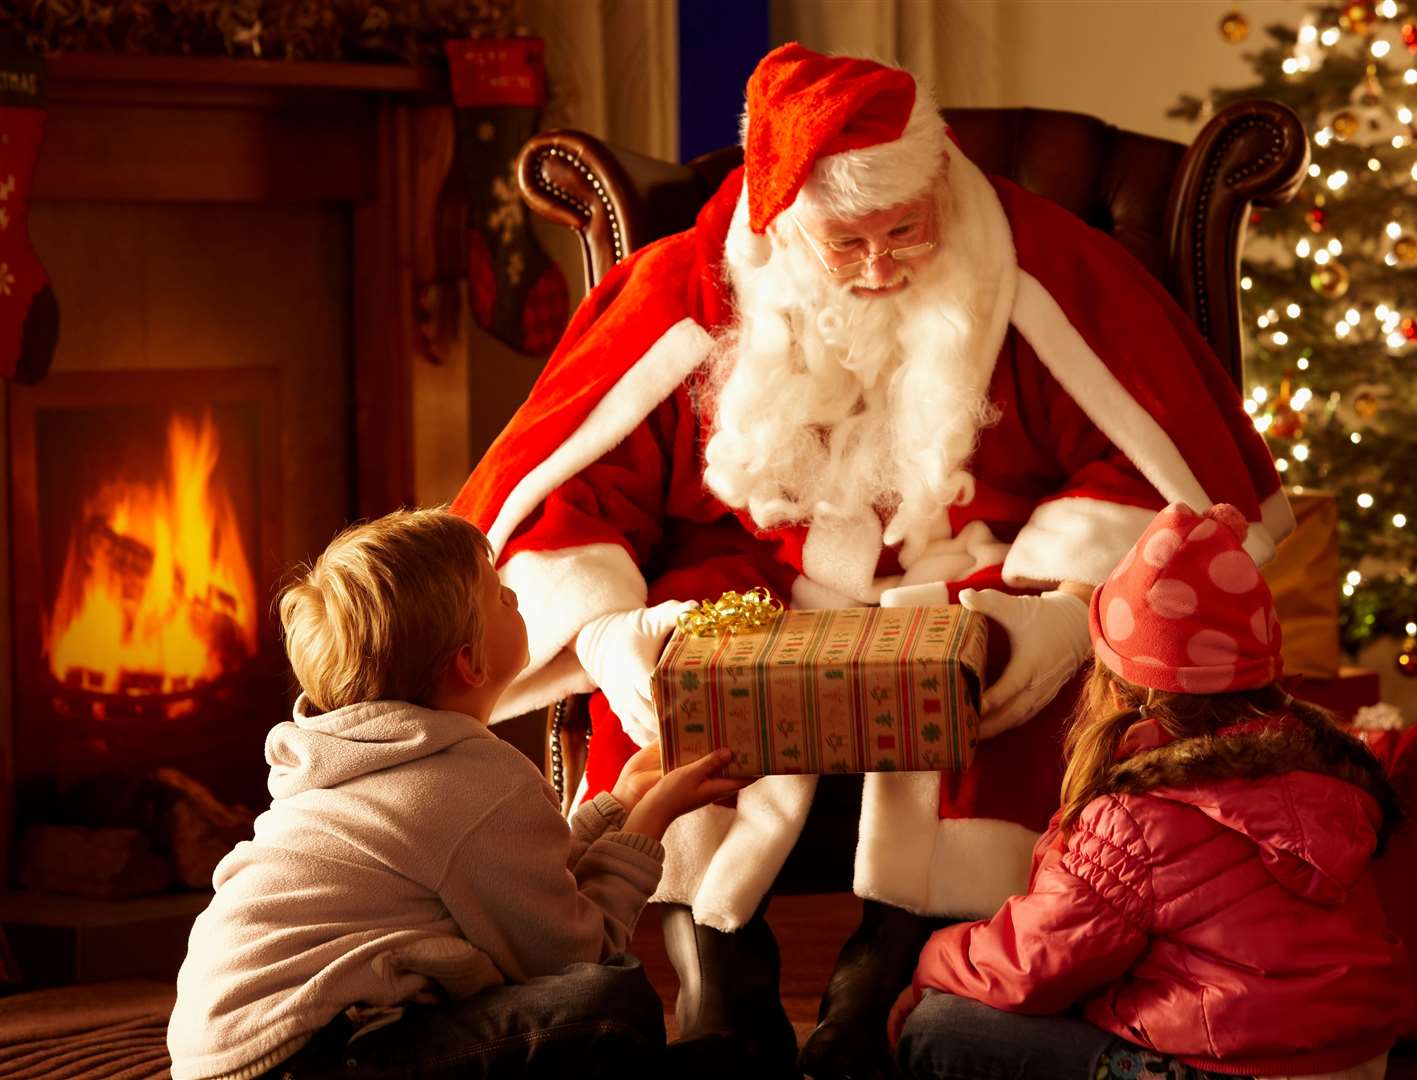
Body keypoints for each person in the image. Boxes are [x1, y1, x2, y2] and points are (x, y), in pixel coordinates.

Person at [453, 44, 1292, 1080]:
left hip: (971, 568)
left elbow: (1152, 473)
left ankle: (886, 982)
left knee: (1027, 671)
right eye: (849, 243)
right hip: (745, 584)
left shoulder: (1039, 269)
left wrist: (1035, 604)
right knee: (666, 681)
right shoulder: (688, 286)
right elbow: (561, 490)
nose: (885, 263)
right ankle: (722, 985)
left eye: (906, 230)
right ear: (785, 230)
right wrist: (618, 631)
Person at [166, 508, 747, 1080]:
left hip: (231, 1050)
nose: (515, 600)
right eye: (497, 595)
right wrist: (653, 819)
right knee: (608, 1006)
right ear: (468, 663)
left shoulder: (372, 757)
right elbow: (576, 952)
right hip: (301, 1059)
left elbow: (506, 879)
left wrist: (618, 803)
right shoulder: (472, 785)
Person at [890, 502, 1410, 1080]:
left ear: (1119, 687)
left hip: (1239, 1067)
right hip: (1354, 1059)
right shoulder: (1327, 764)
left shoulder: (1139, 815)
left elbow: (1035, 965)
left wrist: (932, 959)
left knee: (942, 1028)